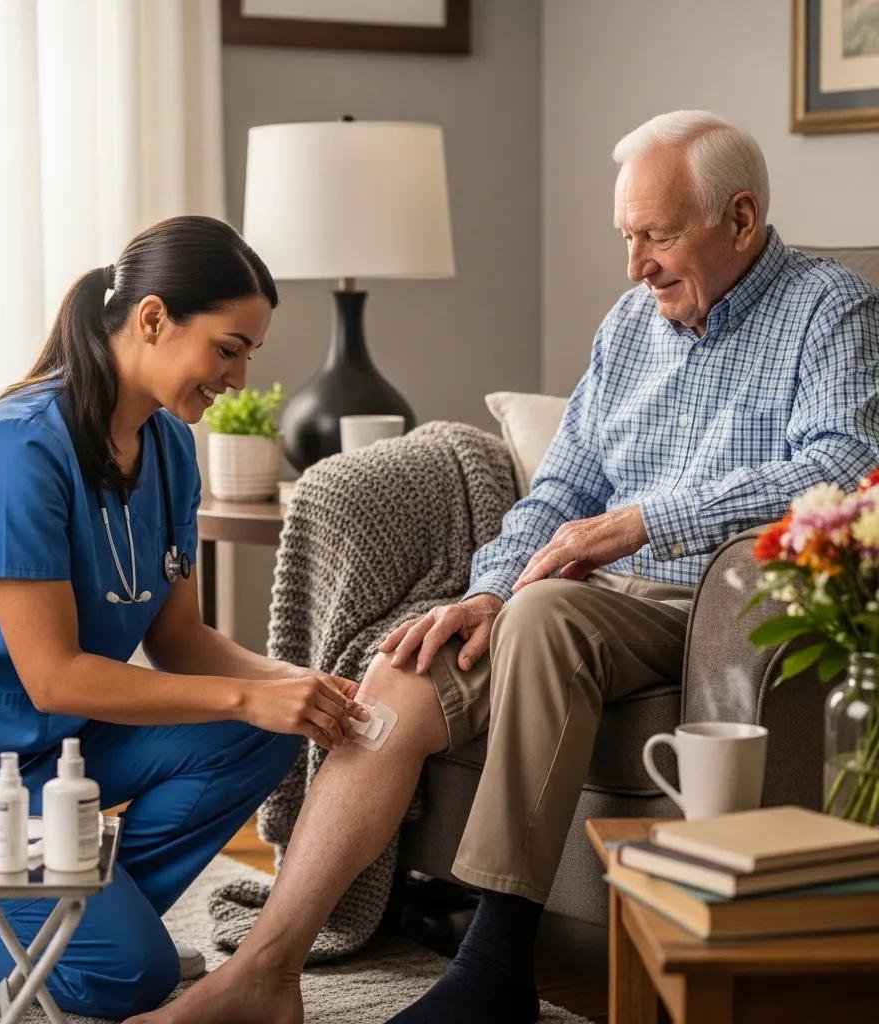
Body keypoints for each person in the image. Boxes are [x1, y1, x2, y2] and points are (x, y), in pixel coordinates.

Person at [123, 112, 879, 1024]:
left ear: (742, 218)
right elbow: (562, 486)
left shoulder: (829, 309)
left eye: (656, 236)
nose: (634, 264)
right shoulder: (630, 325)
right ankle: (265, 974)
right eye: (627, 236)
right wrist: (485, 592)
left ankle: (497, 961)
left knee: (549, 613)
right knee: (401, 670)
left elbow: (846, 467)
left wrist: (643, 521)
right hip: (581, 602)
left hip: (713, 603)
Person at [0, 215, 372, 1019]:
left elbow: (179, 639)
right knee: (129, 978)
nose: (238, 379)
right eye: (228, 348)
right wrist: (249, 694)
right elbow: (54, 678)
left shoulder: (169, 447)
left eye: (249, 355)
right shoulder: (18, 448)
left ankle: (72, 924)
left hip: (56, 752)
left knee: (271, 730)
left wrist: (299, 686)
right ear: (154, 318)